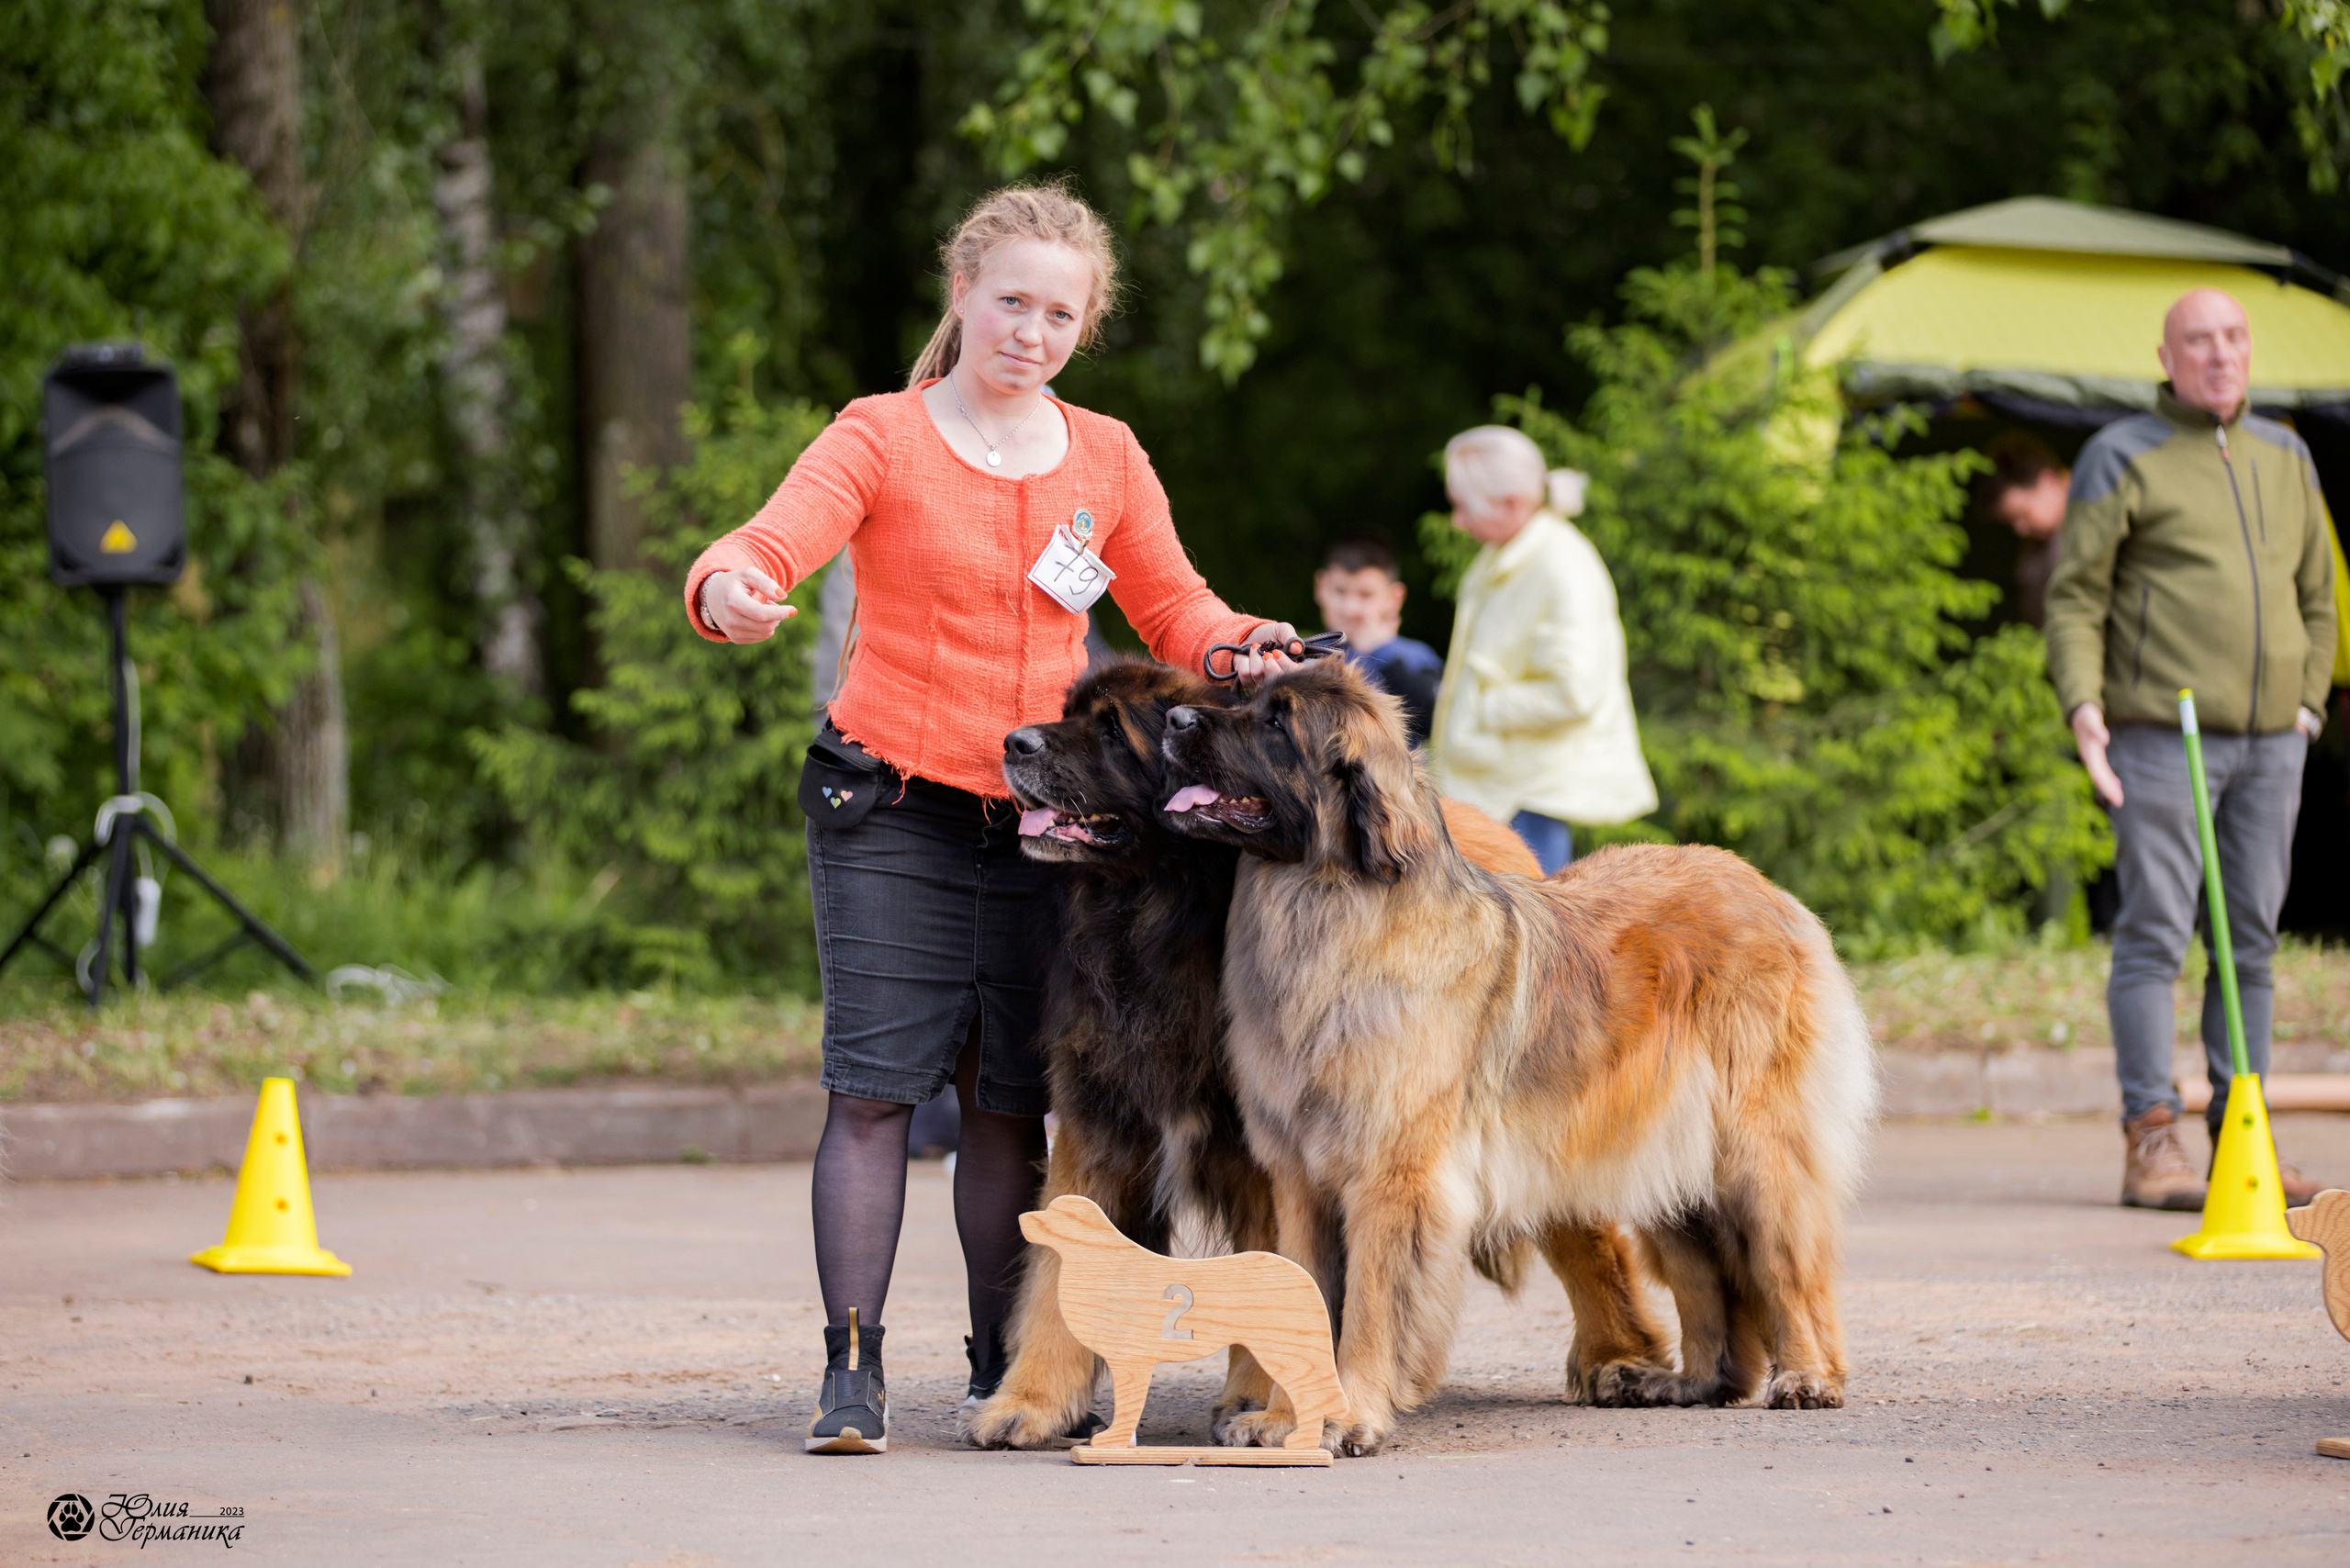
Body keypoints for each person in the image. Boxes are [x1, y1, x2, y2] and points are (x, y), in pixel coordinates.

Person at [684, 182, 1301, 1455]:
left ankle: (997, 1360)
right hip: (890, 803)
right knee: (873, 1092)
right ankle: (849, 1375)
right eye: (1011, 300)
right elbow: (766, 543)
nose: (1031, 330)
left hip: (1048, 827)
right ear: (962, 294)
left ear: (1085, 327)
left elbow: (1176, 608)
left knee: (1011, 1101)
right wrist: (731, 587)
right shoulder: (882, 435)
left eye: (1059, 314)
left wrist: (1244, 649)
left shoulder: (1106, 456)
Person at [2042, 286, 2336, 1211]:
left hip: (2270, 742)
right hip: (2160, 735)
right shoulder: (2119, 454)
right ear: (2166, 356)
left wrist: (2309, 703)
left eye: (2235, 338)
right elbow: (2075, 596)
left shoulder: (2286, 454)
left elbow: (2319, 593)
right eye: (2200, 340)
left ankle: (2238, 1142)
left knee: (2248, 943)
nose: (2220, 354)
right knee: (2155, 937)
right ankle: (2150, 1138)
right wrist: (2084, 706)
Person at [1427, 426, 1656, 875]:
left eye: (1462, 506)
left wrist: (1484, 709)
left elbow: (1575, 693)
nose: (1456, 521)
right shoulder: (1506, 552)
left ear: (1511, 503)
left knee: (1533, 938)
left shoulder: (1560, 566)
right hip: (1497, 788)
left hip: (1525, 799)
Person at [1312, 536, 1444, 743]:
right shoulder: (1303, 655)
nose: (1351, 608)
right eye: (1340, 591)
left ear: (1395, 598)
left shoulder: (1416, 659)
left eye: (1366, 595)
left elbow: (1435, 721)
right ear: (1320, 587)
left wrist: (1379, 650)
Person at [1979, 431, 2069, 630]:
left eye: (2023, 514)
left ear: (2048, 482)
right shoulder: (2031, 559)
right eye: (2011, 521)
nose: (2020, 529)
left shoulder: (2100, 516)